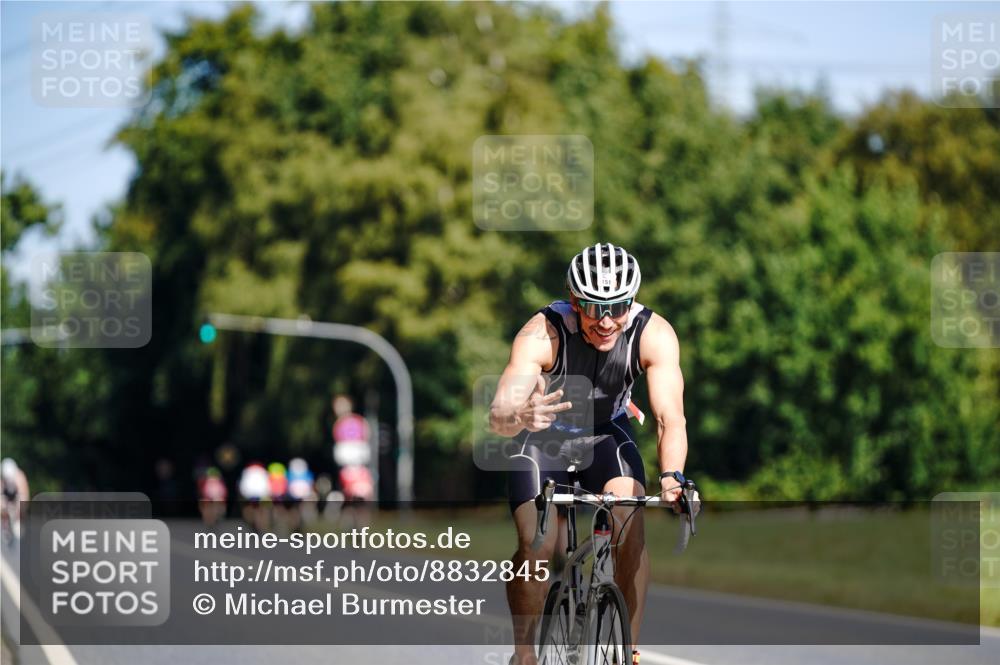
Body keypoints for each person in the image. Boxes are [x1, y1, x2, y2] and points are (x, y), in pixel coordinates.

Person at [489, 243, 688, 665]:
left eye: (616, 307)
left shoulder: (654, 334)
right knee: (536, 545)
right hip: (544, 439)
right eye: (591, 307)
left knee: (629, 525)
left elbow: (671, 417)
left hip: (606, 436)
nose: (604, 320)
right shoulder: (542, 332)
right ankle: (524, 654)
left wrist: (673, 475)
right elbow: (499, 415)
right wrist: (519, 413)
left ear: (630, 302)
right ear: (573, 300)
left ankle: (627, 650)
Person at [1, 458, 30, 543]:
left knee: (21, 502)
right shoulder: (2, 478)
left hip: (17, 496)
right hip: (7, 497)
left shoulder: (20, 476)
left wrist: (19, 509)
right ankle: (5, 524)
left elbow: (24, 494)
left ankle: (19, 522)